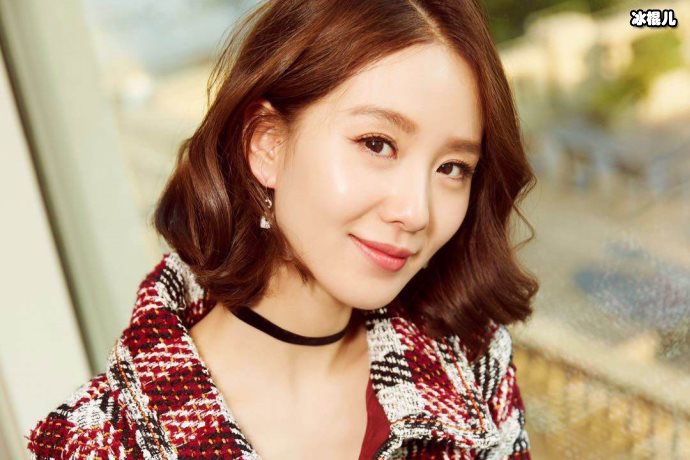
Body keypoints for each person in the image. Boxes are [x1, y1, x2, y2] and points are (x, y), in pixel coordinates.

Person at [26, 0, 539, 458]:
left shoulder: (470, 361)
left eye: (452, 168)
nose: (416, 211)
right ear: (267, 143)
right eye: (377, 144)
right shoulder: (99, 444)